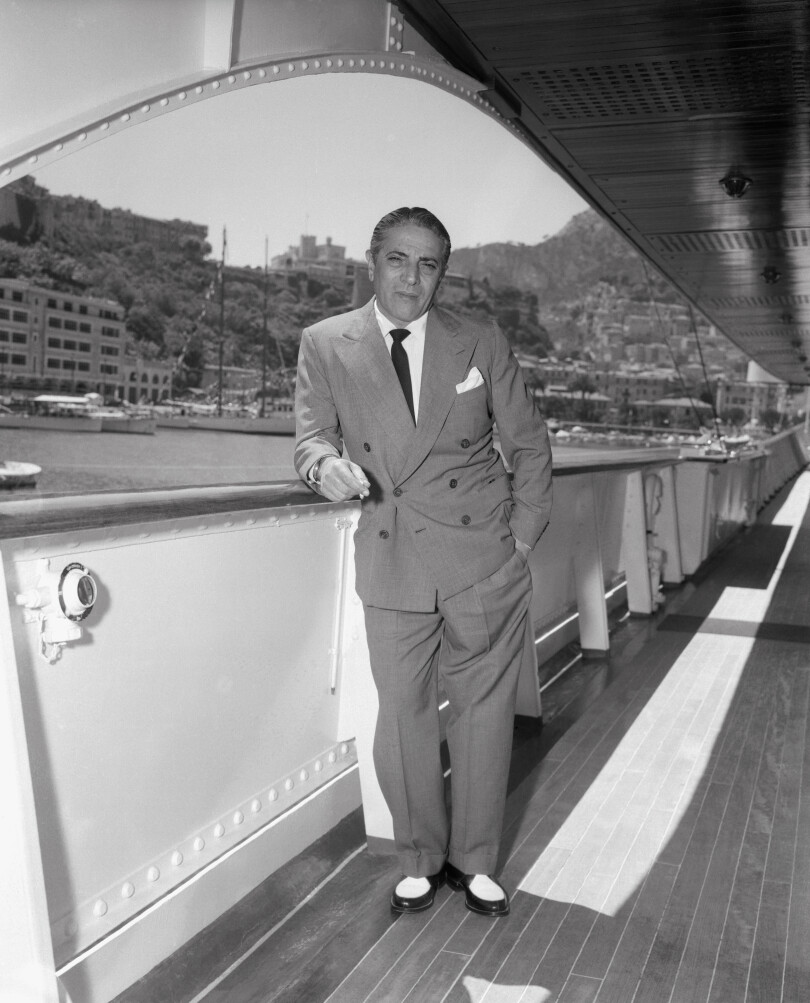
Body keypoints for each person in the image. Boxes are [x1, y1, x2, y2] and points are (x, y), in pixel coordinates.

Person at [294, 207, 552, 917]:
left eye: (428, 264)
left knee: (483, 713)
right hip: (393, 553)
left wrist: (521, 540)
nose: (412, 278)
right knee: (403, 714)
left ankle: (476, 860)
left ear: (443, 273)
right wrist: (325, 468)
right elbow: (310, 439)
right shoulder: (326, 343)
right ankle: (419, 857)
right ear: (372, 263)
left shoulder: (480, 339)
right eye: (398, 260)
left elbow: (529, 443)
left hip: (483, 558)